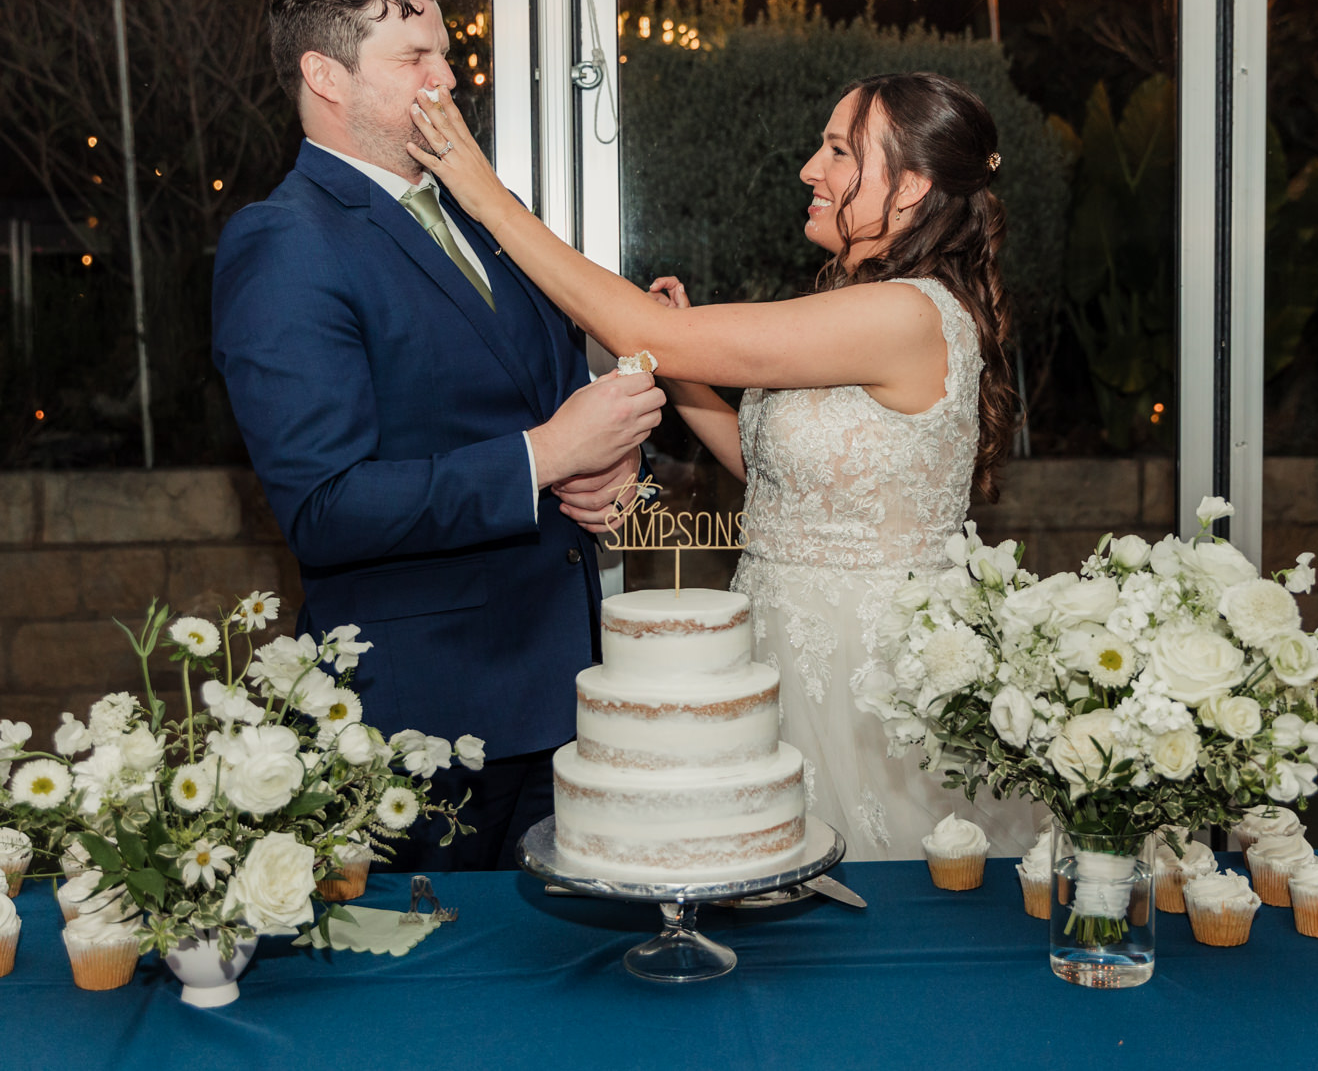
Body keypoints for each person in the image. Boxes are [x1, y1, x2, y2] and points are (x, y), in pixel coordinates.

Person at [411, 69, 1045, 861]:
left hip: (866, 670)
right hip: (777, 640)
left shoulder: (904, 311)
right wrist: (680, 368)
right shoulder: (875, 307)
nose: (811, 169)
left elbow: (639, 328)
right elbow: (773, 474)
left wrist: (486, 199)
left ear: (911, 187)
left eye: (840, 151)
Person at [211, 0, 663, 870]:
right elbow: (326, 508)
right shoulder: (285, 243)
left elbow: (559, 399)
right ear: (323, 75)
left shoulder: (483, 215)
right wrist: (542, 458)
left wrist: (616, 467)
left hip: (565, 697)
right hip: (418, 729)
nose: (447, 78)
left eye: (445, 53)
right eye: (414, 59)